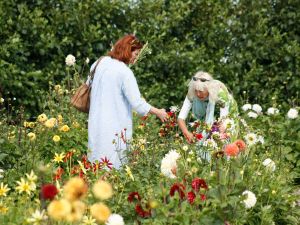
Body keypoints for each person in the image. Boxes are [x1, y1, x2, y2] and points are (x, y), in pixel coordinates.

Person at [87, 34, 167, 169]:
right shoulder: (124, 72)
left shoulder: (99, 62)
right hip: (114, 128)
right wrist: (159, 112)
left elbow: (88, 85)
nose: (136, 58)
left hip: (95, 123)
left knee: (95, 165)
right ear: (127, 50)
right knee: (113, 166)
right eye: (135, 54)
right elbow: (137, 103)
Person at [178, 71, 239, 144]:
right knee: (200, 143)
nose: (198, 94)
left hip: (228, 118)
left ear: (209, 88)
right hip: (206, 119)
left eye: (201, 91)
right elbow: (181, 118)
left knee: (223, 143)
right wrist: (187, 133)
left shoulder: (220, 94)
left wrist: (217, 137)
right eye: (196, 91)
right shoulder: (192, 93)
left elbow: (223, 120)